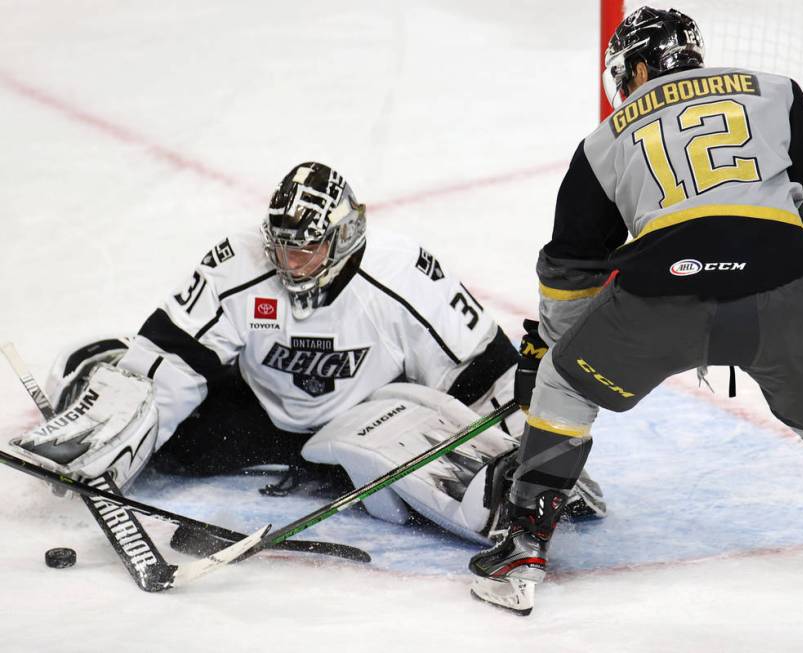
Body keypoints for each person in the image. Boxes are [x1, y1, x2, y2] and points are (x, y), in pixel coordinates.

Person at [468, 7, 803, 614]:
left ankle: (522, 549)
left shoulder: (603, 140)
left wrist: (560, 352)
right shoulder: (777, 91)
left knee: (564, 390)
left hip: (661, 302)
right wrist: (763, 271)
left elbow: (570, 270)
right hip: (783, 289)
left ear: (642, 67)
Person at [11, 161, 604, 544]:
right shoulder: (238, 262)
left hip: (368, 416)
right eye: (283, 248)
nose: (291, 264)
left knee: (426, 498)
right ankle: (93, 369)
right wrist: (116, 428)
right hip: (262, 411)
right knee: (174, 448)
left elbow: (483, 371)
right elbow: (174, 356)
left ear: (342, 237)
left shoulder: (404, 273)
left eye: (307, 250)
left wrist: (541, 456)